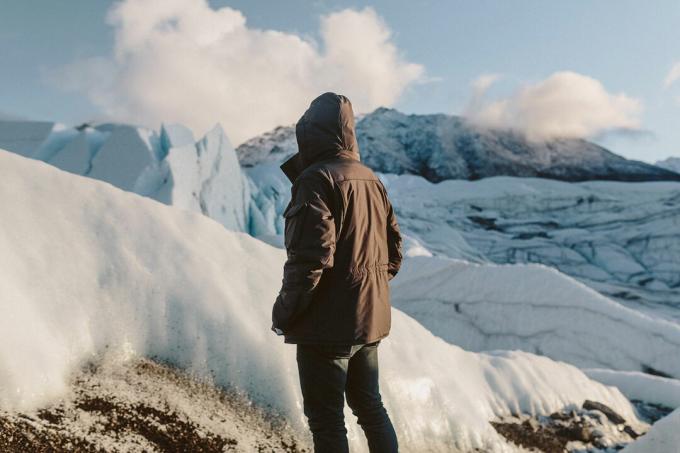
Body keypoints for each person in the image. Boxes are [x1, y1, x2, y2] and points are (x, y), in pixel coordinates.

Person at [271, 92, 402, 453]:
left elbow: (310, 258)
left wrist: (286, 311)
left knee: (327, 421)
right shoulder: (371, 180)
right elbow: (394, 252)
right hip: (369, 321)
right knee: (370, 408)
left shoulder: (316, 180)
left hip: (326, 328)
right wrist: (364, 290)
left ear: (311, 134)